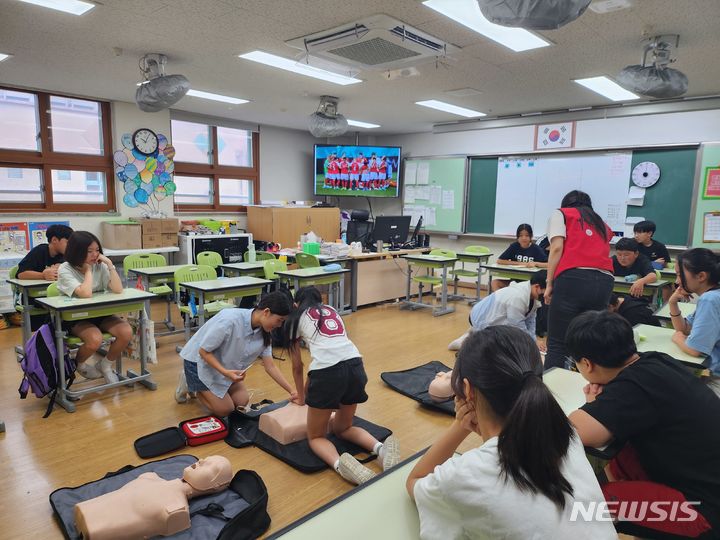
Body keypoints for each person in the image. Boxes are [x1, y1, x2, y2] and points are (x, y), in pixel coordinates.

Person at [407, 326, 616, 540]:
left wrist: (460, 424)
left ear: (467, 390)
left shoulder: (468, 474)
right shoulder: (565, 434)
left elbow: (416, 480)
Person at [566, 310, 720, 539]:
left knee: (584, 505)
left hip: (702, 511)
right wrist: (600, 406)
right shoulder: (655, 360)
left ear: (586, 364)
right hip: (706, 483)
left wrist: (593, 405)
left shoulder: (632, 389)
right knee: (619, 455)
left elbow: (574, 431)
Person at [286, 286, 400, 485]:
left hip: (327, 373)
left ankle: (340, 464)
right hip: (356, 365)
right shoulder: (331, 310)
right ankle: (381, 449)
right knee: (343, 427)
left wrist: (302, 398)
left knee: (316, 437)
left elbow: (298, 367)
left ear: (296, 304)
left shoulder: (296, 317)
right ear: (319, 299)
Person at [177, 291, 297, 416]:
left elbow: (270, 366)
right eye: (279, 320)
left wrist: (292, 392)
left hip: (226, 367)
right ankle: (190, 382)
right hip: (198, 363)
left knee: (241, 402)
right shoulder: (230, 320)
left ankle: (213, 391)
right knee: (225, 410)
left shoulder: (265, 331)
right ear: (266, 312)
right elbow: (203, 351)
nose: (279, 325)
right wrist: (225, 372)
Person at [74, 455, 232, 540]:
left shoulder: (177, 509)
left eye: (212, 468)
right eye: (206, 458)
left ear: (216, 485)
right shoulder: (150, 477)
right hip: (86, 512)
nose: (202, 461)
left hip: (94, 532)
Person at [544, 190, 614, 370]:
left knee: (558, 344)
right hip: (605, 281)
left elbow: (557, 248)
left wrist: (549, 283)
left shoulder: (561, 214)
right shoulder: (600, 223)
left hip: (573, 278)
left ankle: (551, 395)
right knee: (590, 340)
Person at [57, 231, 132, 383]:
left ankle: (105, 365)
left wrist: (109, 264)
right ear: (77, 251)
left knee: (126, 332)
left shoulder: (101, 266)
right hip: (75, 316)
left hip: (99, 313)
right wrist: (88, 271)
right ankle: (79, 364)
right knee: (95, 340)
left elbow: (118, 290)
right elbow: (85, 293)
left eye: (97, 250)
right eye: (89, 251)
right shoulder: (65, 269)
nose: (94, 255)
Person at [449, 271, 547, 351]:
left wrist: (534, 340)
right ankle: (469, 341)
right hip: (481, 319)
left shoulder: (532, 295)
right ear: (537, 287)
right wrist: (533, 342)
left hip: (491, 317)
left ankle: (473, 336)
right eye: (546, 292)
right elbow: (517, 326)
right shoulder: (518, 297)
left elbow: (530, 321)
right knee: (499, 351)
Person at [668, 248, 720, 396]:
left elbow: (695, 349)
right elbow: (684, 328)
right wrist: (672, 302)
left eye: (679, 275)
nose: (677, 281)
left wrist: (678, 338)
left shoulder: (710, 299)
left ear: (701, 276)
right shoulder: (713, 294)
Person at [17, 224, 74, 330]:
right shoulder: (39, 251)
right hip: (36, 298)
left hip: (58, 295)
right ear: (54, 240)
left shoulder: (66, 255)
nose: (70, 247)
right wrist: (42, 275)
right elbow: (21, 274)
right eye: (67, 242)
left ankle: (62, 336)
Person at [493, 223, 548, 291]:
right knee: (495, 283)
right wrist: (520, 263)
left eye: (527, 235)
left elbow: (548, 265)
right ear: (517, 237)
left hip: (529, 284)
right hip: (514, 282)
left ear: (531, 236)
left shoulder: (536, 249)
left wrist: (536, 263)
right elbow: (500, 261)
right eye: (521, 235)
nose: (523, 238)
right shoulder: (514, 246)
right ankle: (502, 301)